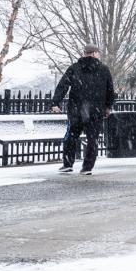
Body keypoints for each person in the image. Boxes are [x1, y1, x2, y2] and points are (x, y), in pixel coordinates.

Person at [51, 45, 116, 176]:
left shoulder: (74, 68)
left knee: (71, 137)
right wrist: (108, 106)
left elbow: (63, 86)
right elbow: (110, 90)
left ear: (84, 53)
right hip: (95, 111)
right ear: (95, 54)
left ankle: (68, 164)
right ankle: (87, 167)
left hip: (76, 110)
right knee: (93, 140)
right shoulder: (103, 69)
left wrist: (55, 103)